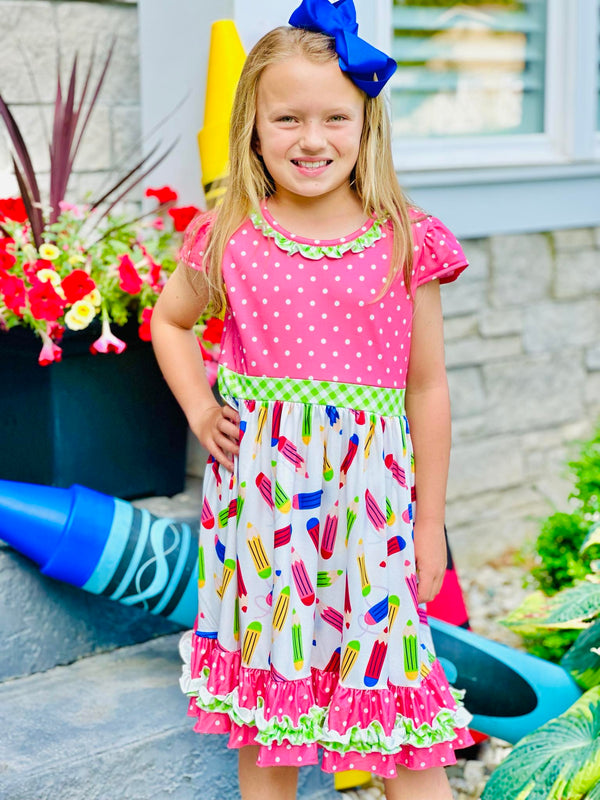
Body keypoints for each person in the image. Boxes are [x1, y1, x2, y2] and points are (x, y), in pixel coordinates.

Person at [151, 1, 473, 797]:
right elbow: (169, 320)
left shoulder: (404, 239)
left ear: (366, 125)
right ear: (253, 128)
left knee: (396, 702)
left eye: (335, 117)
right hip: (262, 518)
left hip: (373, 520)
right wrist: (199, 409)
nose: (312, 139)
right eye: (287, 118)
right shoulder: (229, 235)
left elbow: (427, 387)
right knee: (271, 717)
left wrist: (429, 521)